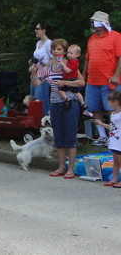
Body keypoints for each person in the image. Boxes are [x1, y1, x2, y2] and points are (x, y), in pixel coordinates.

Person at [30, 38, 84, 179]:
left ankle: (70, 168)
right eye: (54, 49)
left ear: (65, 52)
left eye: (59, 49)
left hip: (69, 102)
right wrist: (33, 72)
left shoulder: (69, 65)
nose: (56, 51)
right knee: (58, 137)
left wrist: (64, 82)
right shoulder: (47, 68)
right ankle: (61, 166)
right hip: (55, 103)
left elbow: (81, 81)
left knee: (70, 136)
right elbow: (36, 83)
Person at [82, 11, 121, 147]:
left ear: (102, 23)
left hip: (109, 81)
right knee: (94, 109)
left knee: (112, 109)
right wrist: (83, 76)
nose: (92, 23)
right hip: (93, 82)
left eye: (95, 21)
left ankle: (115, 136)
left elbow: (120, 56)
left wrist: (116, 75)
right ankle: (102, 136)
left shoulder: (116, 36)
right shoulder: (92, 38)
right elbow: (88, 59)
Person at [95, 91, 121, 187]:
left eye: (109, 101)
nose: (108, 103)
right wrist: (101, 124)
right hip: (114, 140)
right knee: (115, 161)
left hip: (120, 141)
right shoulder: (113, 114)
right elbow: (112, 127)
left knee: (120, 161)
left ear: (116, 101)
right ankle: (114, 178)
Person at [28, 22, 53, 115]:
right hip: (35, 73)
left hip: (43, 75)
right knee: (33, 99)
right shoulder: (38, 43)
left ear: (43, 30)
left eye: (37, 28)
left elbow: (54, 59)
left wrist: (44, 64)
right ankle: (36, 121)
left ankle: (46, 120)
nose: (35, 30)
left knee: (41, 99)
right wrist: (32, 61)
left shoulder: (49, 43)